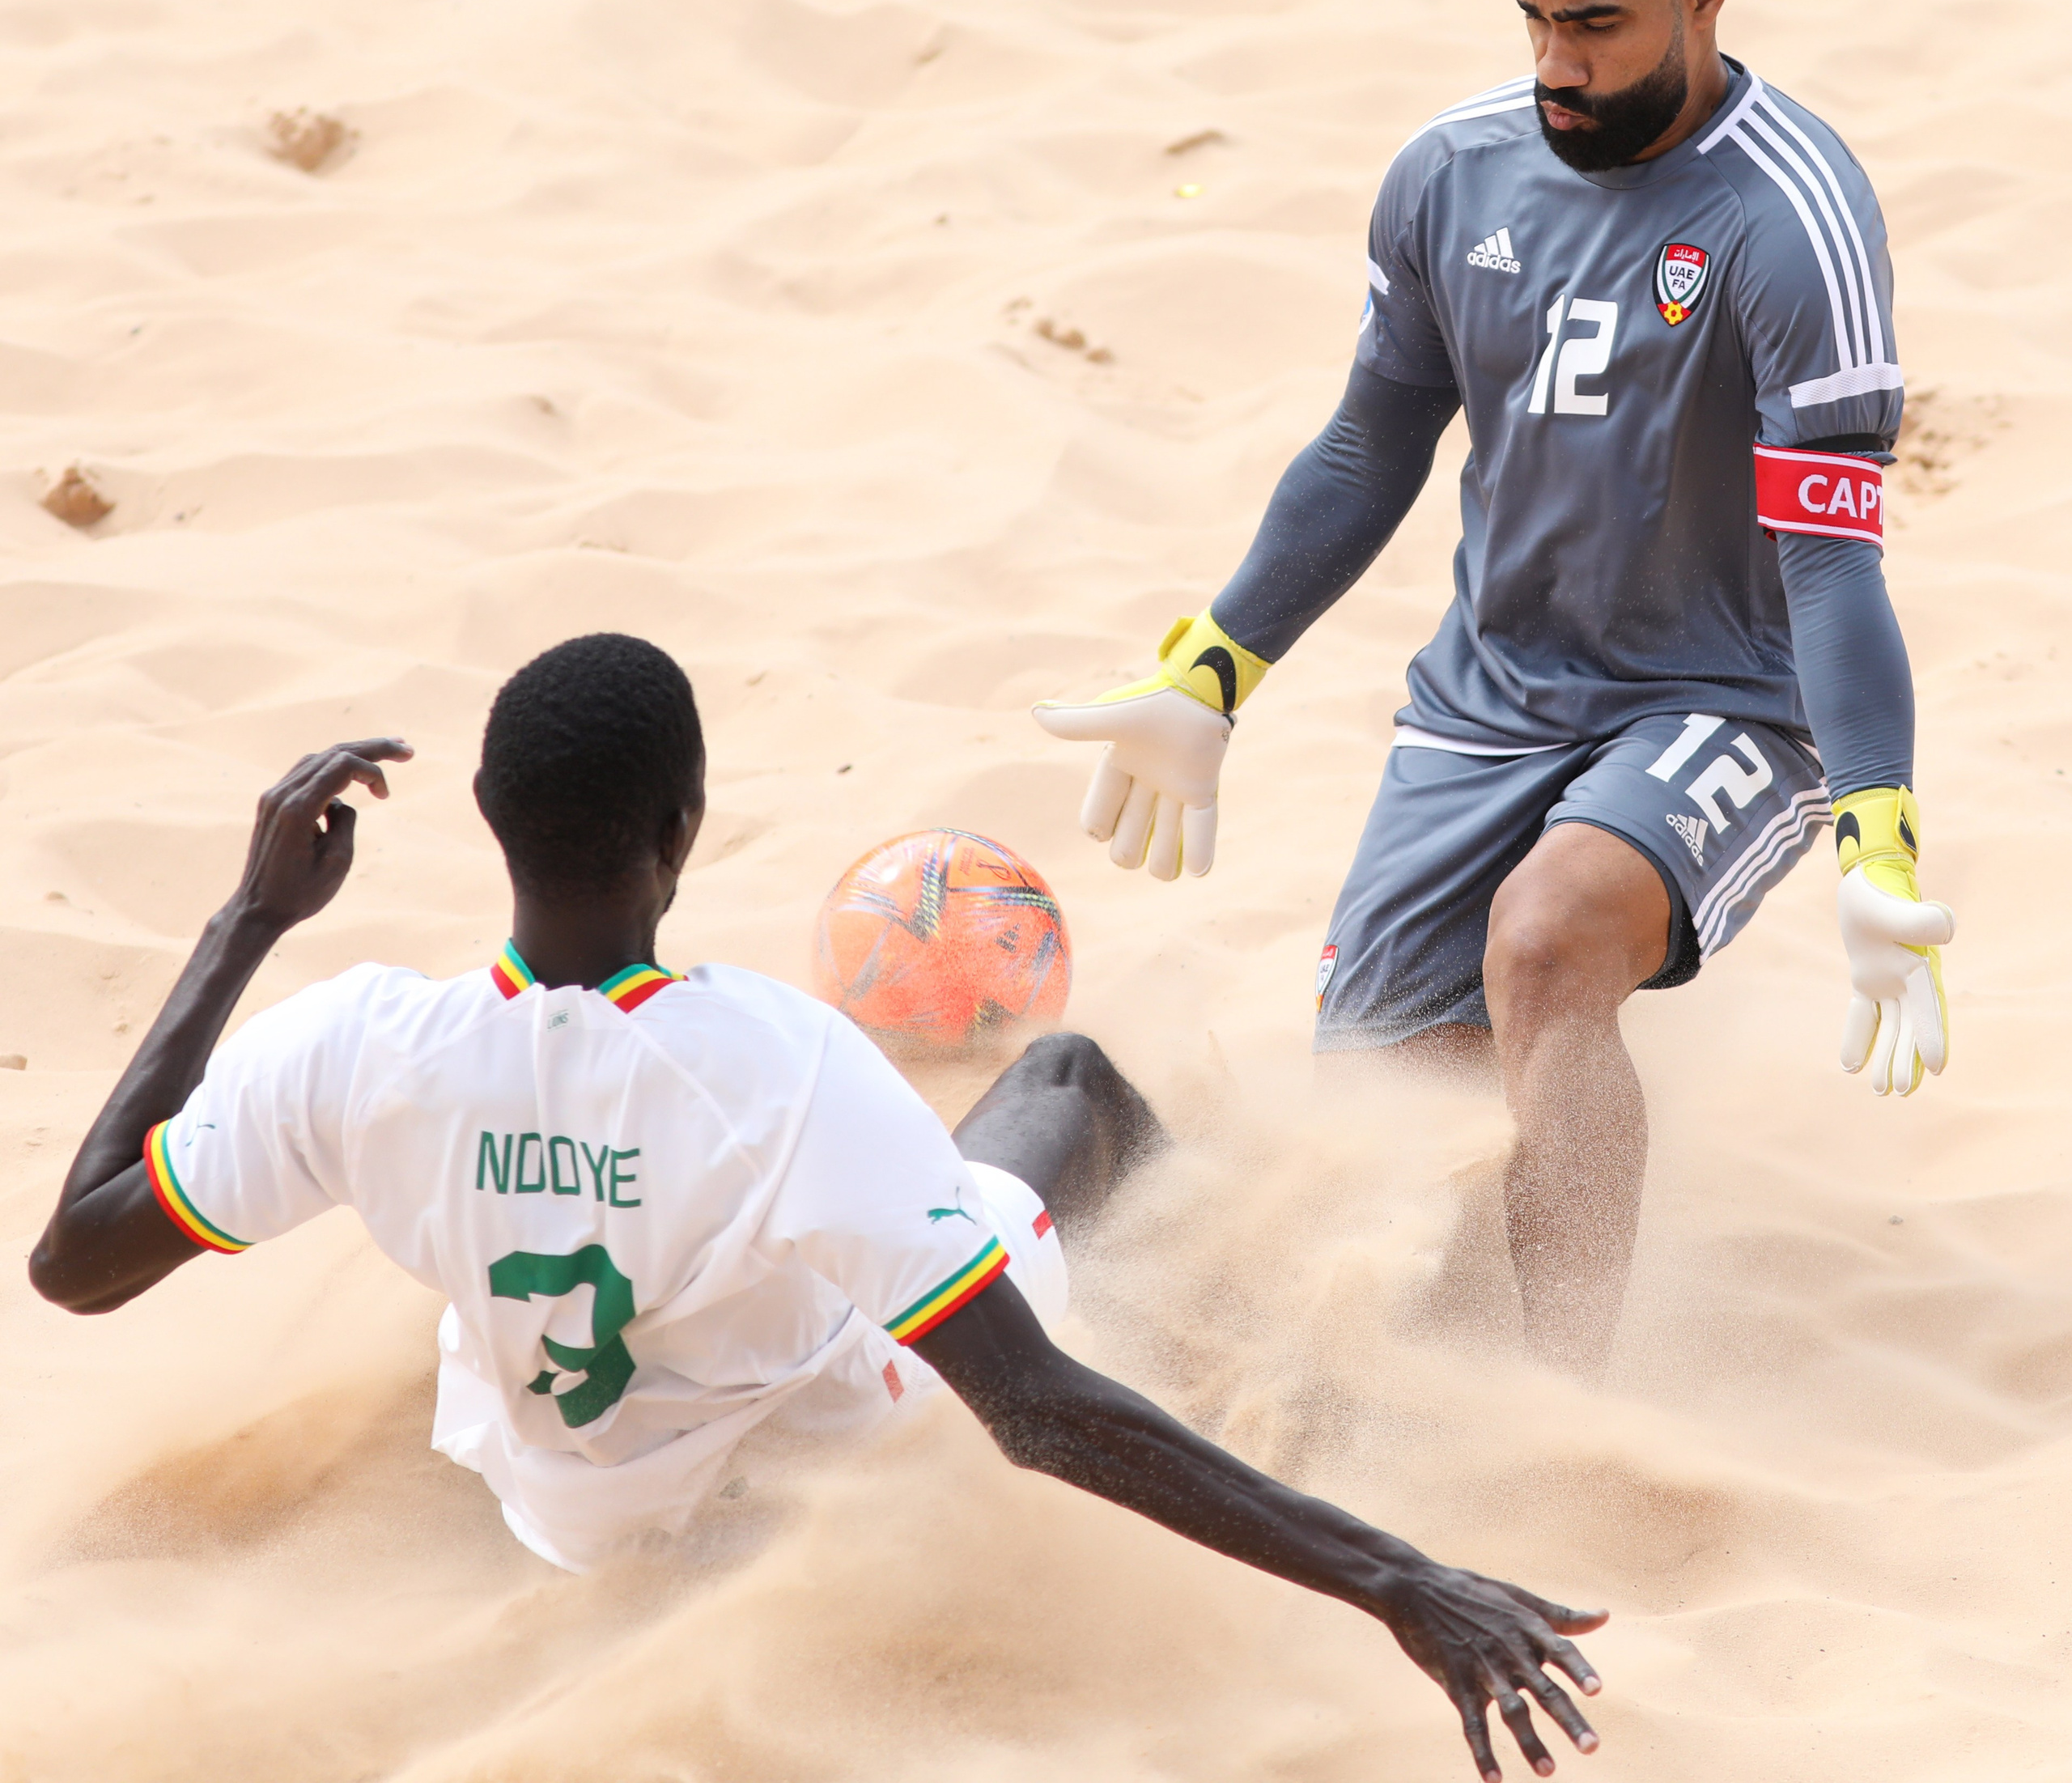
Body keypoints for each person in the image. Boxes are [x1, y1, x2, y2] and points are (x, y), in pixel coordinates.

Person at [32, 633, 1603, 1782]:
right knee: (1063, 1082)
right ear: (682, 832)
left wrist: (246, 921)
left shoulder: (357, 1045)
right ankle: (1236, 1322)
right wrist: (1400, 1577)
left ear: (497, 822)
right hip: (849, 1445)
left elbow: (76, 1260)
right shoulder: (775, 1064)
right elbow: (1041, 1413)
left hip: (560, 1507)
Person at [1034, 0, 1955, 1376]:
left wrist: (1878, 823)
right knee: (1399, 1140)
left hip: (1722, 698)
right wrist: (1215, 669)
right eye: (1534, 17)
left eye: (1596, 21)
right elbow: (1367, 446)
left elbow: (1830, 560)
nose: (1558, 62)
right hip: (1487, 707)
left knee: (1543, 946)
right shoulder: (1453, 175)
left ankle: (1566, 1420)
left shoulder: (1792, 219)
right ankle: (1462, 1410)